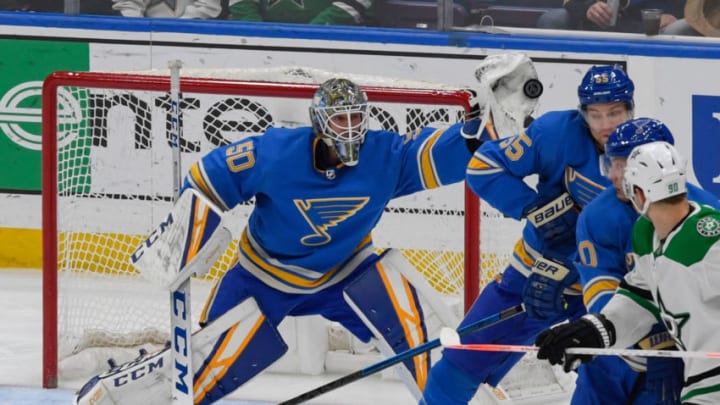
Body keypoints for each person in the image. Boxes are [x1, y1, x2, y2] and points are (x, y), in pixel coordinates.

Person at [72, 54, 542, 405]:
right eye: (341, 120)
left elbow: (450, 150)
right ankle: (114, 395)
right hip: (264, 278)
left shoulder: (384, 156)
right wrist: (186, 233)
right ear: (319, 124)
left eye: (359, 119)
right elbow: (208, 178)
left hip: (350, 273)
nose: (352, 129)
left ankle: (466, 395)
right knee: (203, 368)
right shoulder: (275, 153)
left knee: (429, 345)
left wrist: (494, 120)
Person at [419, 64, 634, 404]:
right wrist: (533, 207)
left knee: (609, 381)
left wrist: (572, 268)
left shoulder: (646, 152)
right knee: (457, 366)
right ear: (582, 114)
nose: (606, 124)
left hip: (602, 287)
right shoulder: (554, 132)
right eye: (596, 114)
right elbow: (483, 166)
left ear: (631, 110)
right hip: (531, 272)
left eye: (615, 113)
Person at [536, 140, 720, 405]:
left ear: (640, 194)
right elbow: (640, 297)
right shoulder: (647, 235)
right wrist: (594, 331)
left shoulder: (709, 237)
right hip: (701, 385)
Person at [537, 0, 684, 34]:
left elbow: (699, 11)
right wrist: (589, 8)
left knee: (678, 28)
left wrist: (677, 17)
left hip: (657, 28)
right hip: (607, 26)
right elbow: (570, 2)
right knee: (553, 19)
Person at [228, 0, 370, 25]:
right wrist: (256, 31)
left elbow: (356, 3)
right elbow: (242, 3)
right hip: (263, 46)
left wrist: (314, 30)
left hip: (334, 42)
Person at [112, 0, 229, 18]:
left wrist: (179, 27)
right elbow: (129, 6)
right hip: (148, 38)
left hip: (196, 37)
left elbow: (208, 6)